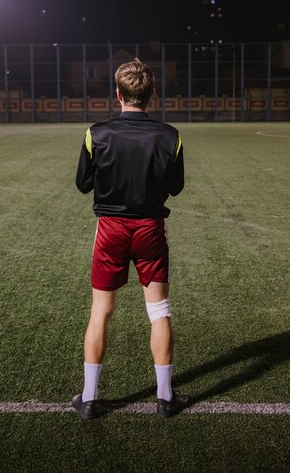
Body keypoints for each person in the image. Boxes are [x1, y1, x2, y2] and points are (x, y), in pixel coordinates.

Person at [72, 57, 189, 419]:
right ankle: (165, 398)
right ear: (151, 95)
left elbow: (82, 184)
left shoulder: (96, 133)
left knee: (101, 311)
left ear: (118, 93)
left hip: (110, 229)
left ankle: (90, 399)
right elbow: (177, 187)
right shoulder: (170, 136)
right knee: (159, 311)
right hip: (150, 229)